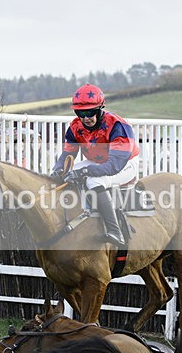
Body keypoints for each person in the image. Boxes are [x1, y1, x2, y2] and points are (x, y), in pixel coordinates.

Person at [49, 84, 139, 246]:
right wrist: (58, 169)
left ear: (100, 109)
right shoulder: (75, 127)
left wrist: (84, 171)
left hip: (125, 164)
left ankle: (115, 231)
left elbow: (114, 166)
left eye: (90, 112)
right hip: (98, 161)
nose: (85, 118)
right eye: (80, 113)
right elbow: (68, 154)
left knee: (93, 181)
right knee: (65, 175)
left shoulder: (118, 126)